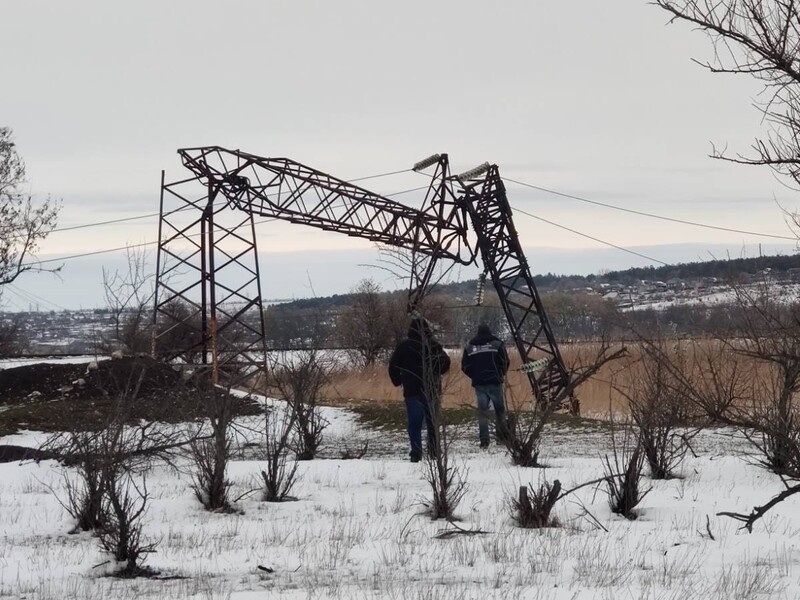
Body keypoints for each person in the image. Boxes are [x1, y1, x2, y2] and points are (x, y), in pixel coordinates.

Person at [388, 317, 451, 462]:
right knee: (432, 423)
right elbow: (446, 363)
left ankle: (416, 452)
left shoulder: (403, 346)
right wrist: (436, 372)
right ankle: (434, 451)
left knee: (414, 424)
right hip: (432, 390)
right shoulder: (433, 345)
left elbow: (392, 366)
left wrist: (398, 381)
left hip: (412, 390)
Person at [461, 323, 510, 448]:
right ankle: (502, 437)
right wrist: (500, 374)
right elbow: (505, 361)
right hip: (495, 381)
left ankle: (484, 440)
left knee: (483, 412)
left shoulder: (470, 346)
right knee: (499, 411)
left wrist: (474, 375)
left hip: (479, 384)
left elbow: (465, 366)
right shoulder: (497, 344)